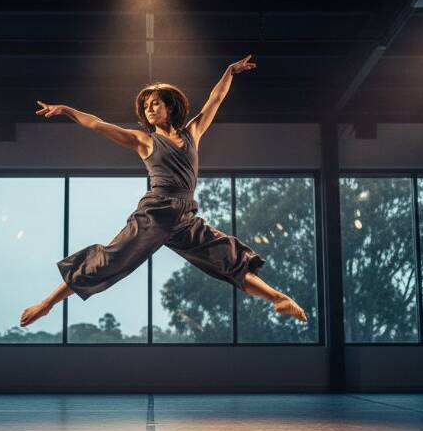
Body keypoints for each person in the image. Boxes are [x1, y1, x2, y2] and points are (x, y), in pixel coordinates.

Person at [20, 54, 308, 328]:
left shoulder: (192, 133)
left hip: (184, 218)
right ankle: (46, 304)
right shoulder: (143, 141)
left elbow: (215, 99)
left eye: (155, 103)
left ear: (170, 107)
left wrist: (229, 72)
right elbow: (97, 124)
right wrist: (66, 110)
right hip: (155, 214)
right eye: (146, 106)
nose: (149, 109)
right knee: (108, 261)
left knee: (228, 257)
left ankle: (278, 298)